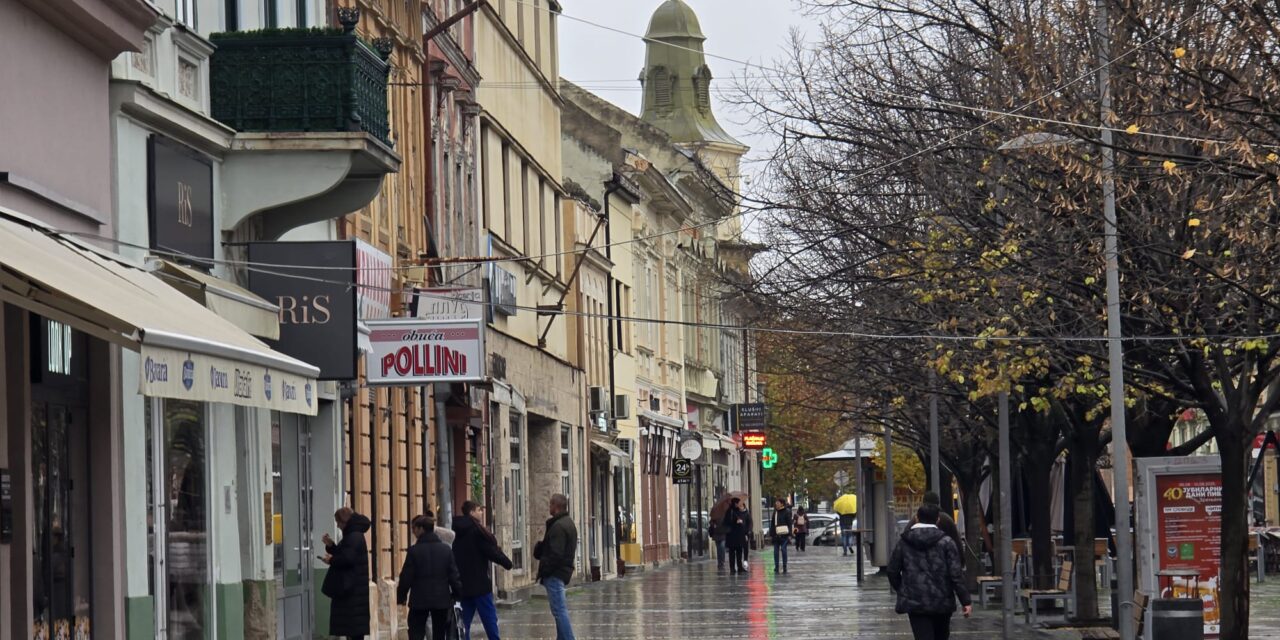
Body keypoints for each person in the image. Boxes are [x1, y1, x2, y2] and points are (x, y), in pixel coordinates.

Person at [888, 504, 972, 640]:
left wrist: (903, 589)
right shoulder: (946, 542)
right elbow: (956, 574)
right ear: (937, 520)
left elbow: (892, 571)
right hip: (942, 601)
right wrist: (965, 600)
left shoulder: (904, 542)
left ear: (916, 518)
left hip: (915, 601)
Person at [452, 501, 514, 640]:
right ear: (471, 512)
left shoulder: (455, 532)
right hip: (480, 585)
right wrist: (508, 563)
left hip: (463, 586)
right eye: (479, 510)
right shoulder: (477, 531)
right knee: (489, 620)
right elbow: (491, 551)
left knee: (464, 624)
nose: (481, 513)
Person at [397, 514, 463, 640]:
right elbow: (454, 575)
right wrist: (457, 594)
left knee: (416, 632)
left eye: (414, 528)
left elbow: (406, 576)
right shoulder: (445, 550)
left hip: (419, 600)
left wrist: (401, 596)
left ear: (421, 529)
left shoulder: (414, 551)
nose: (413, 531)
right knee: (439, 633)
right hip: (441, 600)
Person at [321, 507, 371, 640]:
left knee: (354, 632)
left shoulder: (353, 536)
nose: (337, 525)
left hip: (352, 591)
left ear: (345, 521)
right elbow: (346, 555)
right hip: (353, 590)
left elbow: (347, 559)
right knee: (353, 632)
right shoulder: (353, 534)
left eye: (338, 522)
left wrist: (331, 560)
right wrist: (331, 546)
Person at [534, 494, 578, 640]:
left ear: (556, 506)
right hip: (561, 571)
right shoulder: (567, 522)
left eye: (550, 504)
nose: (549, 507)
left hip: (555, 573)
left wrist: (545, 569)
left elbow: (556, 553)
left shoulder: (559, 526)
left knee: (559, 611)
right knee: (559, 611)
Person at [910, 491, 964, 567]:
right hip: (942, 568)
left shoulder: (915, 519)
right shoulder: (946, 520)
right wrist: (961, 563)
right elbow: (957, 543)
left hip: (917, 568)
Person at [721, 497, 751, 574]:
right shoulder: (729, 511)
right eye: (738, 503)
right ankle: (732, 568)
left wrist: (741, 522)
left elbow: (744, 522)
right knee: (732, 552)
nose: (739, 504)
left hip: (739, 535)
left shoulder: (739, 511)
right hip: (731, 535)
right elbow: (726, 523)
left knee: (739, 551)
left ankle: (739, 567)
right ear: (735, 503)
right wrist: (735, 522)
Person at [770, 498, 792, 574]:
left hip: (784, 534)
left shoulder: (787, 512)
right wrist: (772, 534)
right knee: (776, 551)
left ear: (782, 504)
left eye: (778, 502)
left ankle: (784, 566)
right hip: (776, 534)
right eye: (776, 502)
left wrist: (789, 534)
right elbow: (772, 524)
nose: (776, 504)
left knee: (783, 549)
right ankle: (776, 567)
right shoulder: (775, 512)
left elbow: (789, 523)